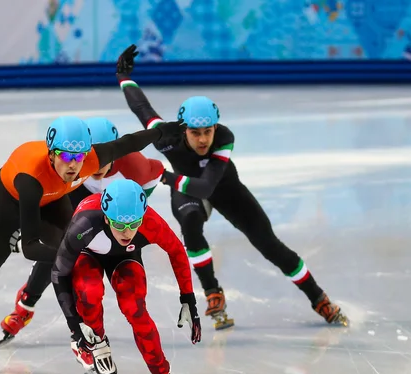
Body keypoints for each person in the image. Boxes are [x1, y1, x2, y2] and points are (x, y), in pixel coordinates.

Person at [114, 44, 349, 330]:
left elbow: (206, 186)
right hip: (188, 190)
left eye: (208, 132)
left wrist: (166, 177)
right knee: (189, 223)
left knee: (270, 245)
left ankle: (318, 298)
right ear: (183, 128)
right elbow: (141, 107)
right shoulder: (166, 136)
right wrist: (123, 76)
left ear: (216, 128)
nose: (203, 140)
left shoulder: (225, 138)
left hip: (224, 190)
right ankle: (213, 292)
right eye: (195, 133)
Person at [0, 115, 184, 353]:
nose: (74, 166)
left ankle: (80, 338)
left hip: (53, 200)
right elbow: (31, 247)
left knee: (73, 261)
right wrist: (73, 254)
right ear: (51, 154)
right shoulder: (30, 177)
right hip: (9, 207)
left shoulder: (89, 160)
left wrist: (163, 131)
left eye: (79, 158)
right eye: (66, 157)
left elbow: (130, 142)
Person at [0, 117, 165, 346]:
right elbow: (42, 200)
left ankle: (87, 324)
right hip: (82, 198)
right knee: (61, 247)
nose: (92, 166)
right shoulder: (74, 169)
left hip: (115, 214)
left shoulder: (136, 167)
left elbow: (157, 171)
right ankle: (26, 305)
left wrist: (138, 205)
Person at [50, 179, 202, 374]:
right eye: (119, 225)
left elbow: (177, 251)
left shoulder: (150, 222)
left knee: (136, 309)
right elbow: (59, 273)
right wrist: (75, 325)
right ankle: (97, 342)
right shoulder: (85, 222)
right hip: (88, 254)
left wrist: (188, 298)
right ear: (105, 217)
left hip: (125, 259)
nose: (127, 232)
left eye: (134, 224)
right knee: (89, 294)